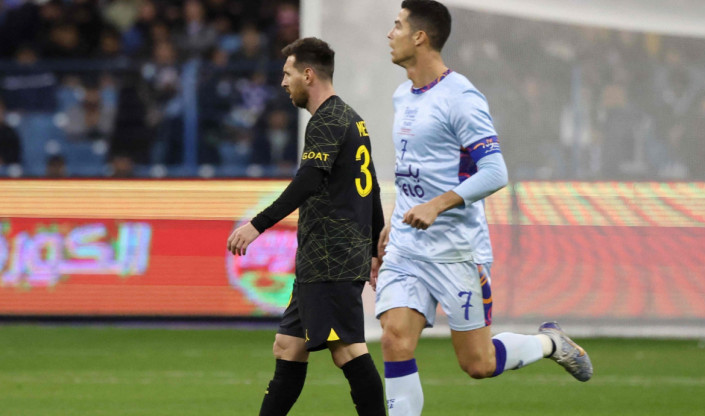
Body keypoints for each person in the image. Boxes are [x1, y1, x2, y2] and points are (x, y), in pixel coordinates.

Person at [374, 2, 593, 414]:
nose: (390, 33)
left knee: (478, 363)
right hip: (407, 247)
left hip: (456, 250)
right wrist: (392, 221)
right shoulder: (402, 95)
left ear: (420, 36)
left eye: (398, 25)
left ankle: (550, 343)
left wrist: (437, 206)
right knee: (393, 338)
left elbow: (495, 171)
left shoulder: (461, 97)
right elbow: (411, 171)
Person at [226, 37, 386, 416]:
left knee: (347, 349)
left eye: (287, 73)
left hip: (331, 256)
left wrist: (258, 224)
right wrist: (376, 248)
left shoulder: (326, 120)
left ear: (308, 74)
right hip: (324, 256)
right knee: (288, 346)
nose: (283, 82)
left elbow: (309, 181)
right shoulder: (351, 118)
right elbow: (372, 186)